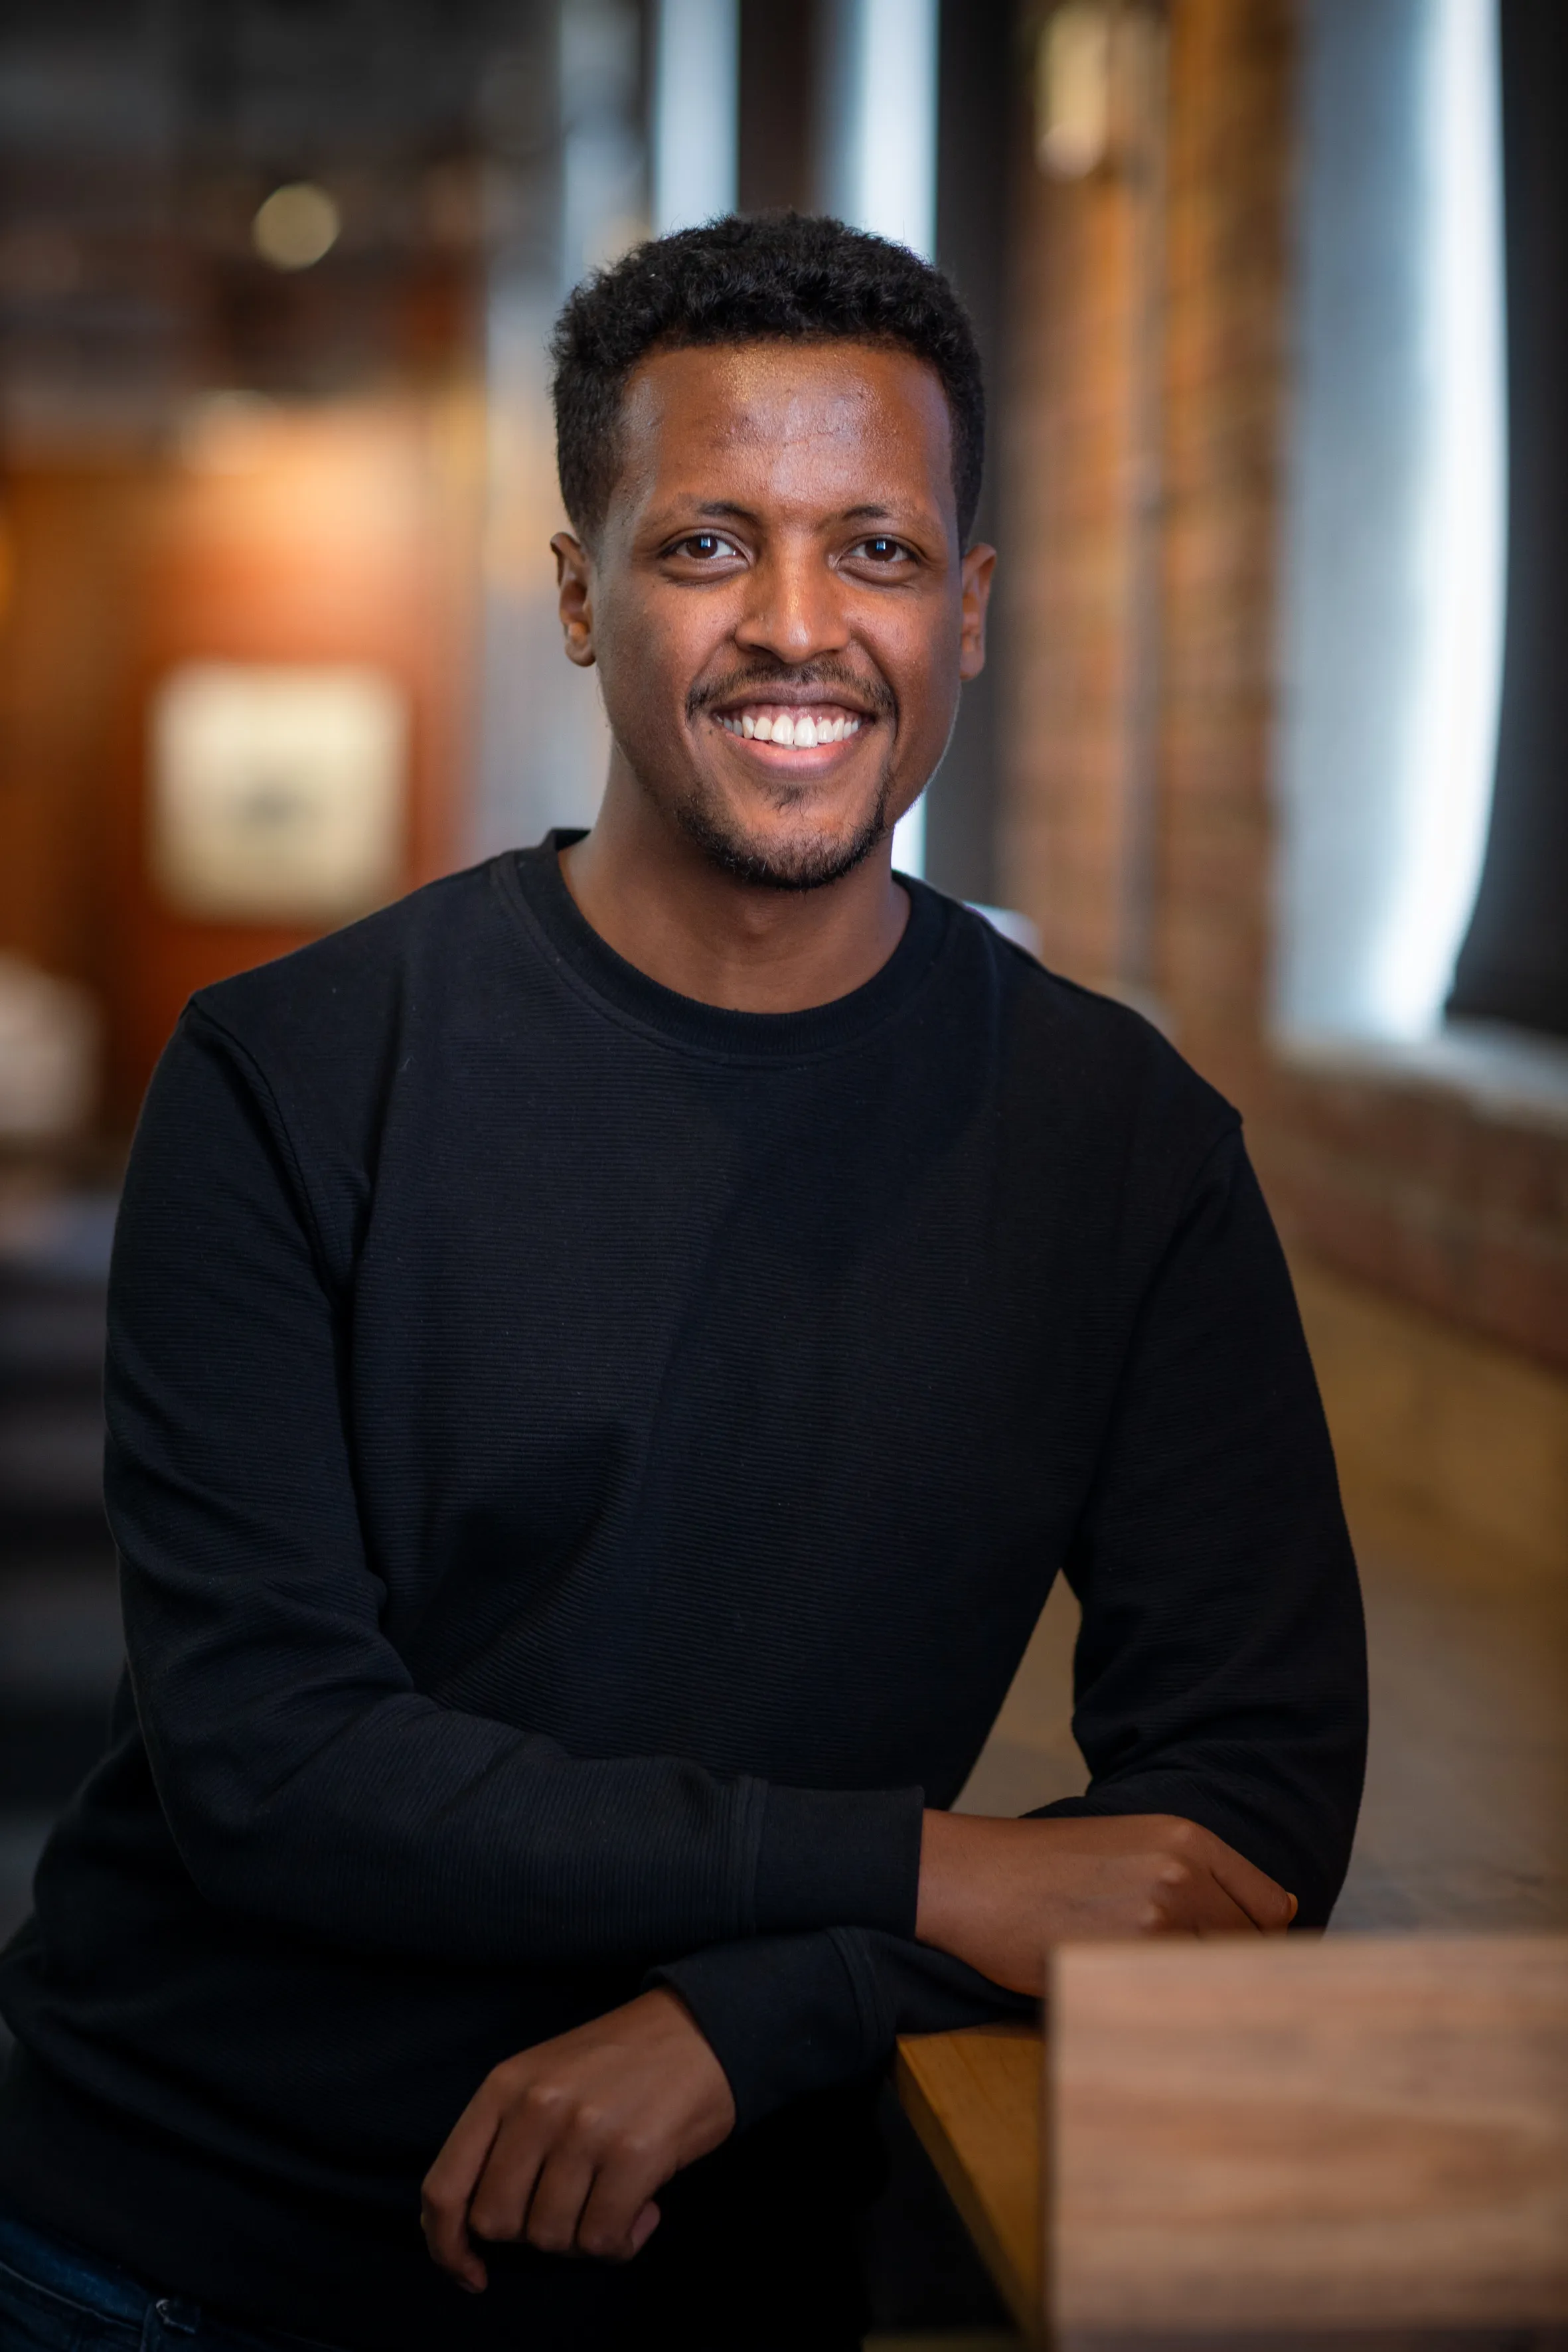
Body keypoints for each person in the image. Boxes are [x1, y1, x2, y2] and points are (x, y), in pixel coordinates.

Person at [0, 214, 1366, 2352]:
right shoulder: (292, 1074)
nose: (799, 627)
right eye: (710, 545)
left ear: (969, 607)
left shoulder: (1127, 1148)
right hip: (173, 2244)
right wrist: (928, 1867)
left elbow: (1250, 1802)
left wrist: (768, 2007)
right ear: (578, 594)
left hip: (726, 2263)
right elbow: (275, 1765)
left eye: (876, 552)